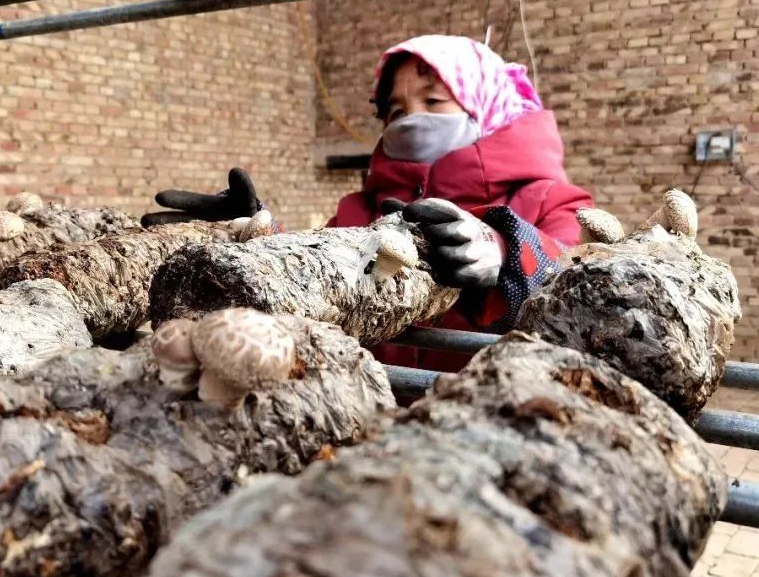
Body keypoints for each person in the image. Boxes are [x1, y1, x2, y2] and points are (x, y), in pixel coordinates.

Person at [143, 34, 593, 371]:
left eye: (434, 100)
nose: (413, 118)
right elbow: (320, 282)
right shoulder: (360, 212)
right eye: (396, 110)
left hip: (484, 433)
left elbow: (581, 284)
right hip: (368, 418)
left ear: (487, 104)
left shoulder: (549, 201)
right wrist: (256, 234)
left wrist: (506, 253)